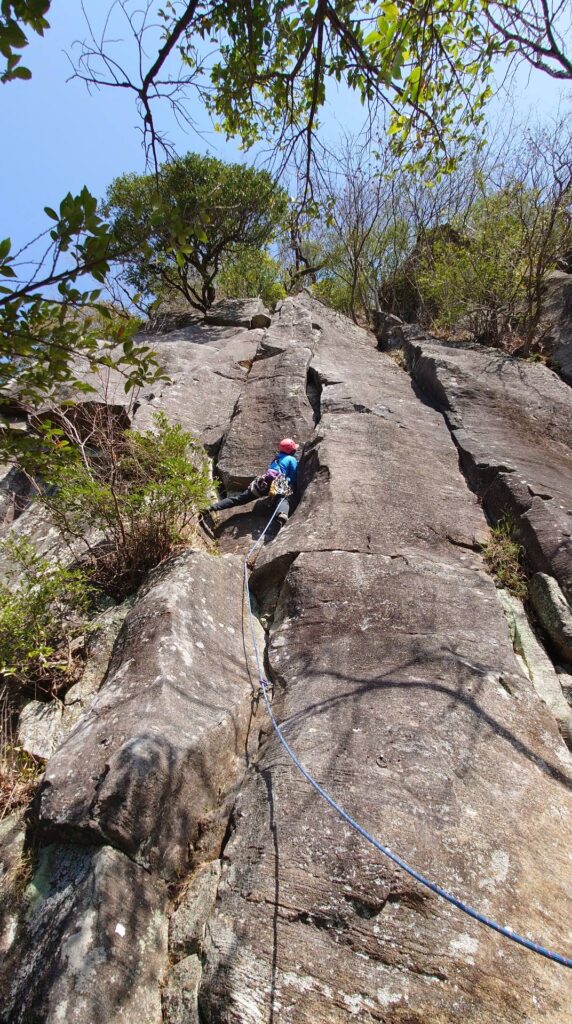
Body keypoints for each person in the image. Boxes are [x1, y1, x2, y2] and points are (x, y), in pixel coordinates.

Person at [204, 438, 299, 529]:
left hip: (262, 484)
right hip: (277, 485)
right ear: (291, 450)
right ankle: (282, 513)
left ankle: (212, 507)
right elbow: (293, 476)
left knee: (239, 499)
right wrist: (290, 485)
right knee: (283, 498)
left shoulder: (277, 458)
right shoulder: (291, 459)